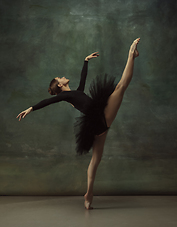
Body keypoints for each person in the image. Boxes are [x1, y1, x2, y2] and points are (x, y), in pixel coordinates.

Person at [17, 38, 140, 209]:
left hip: (98, 128)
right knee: (120, 86)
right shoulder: (65, 96)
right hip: (100, 119)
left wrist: (85, 61)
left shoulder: (75, 93)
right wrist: (31, 108)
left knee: (95, 161)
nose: (63, 76)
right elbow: (47, 101)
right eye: (60, 77)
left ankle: (88, 195)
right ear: (60, 84)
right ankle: (131, 54)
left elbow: (83, 79)